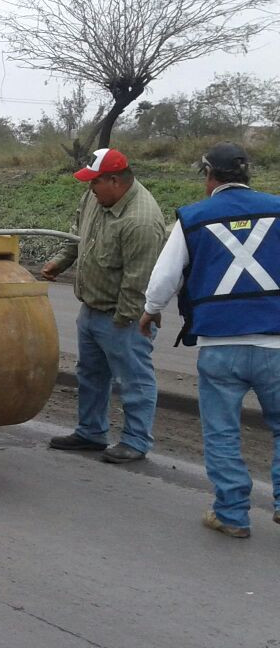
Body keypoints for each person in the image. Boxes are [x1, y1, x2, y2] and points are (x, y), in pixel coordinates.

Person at [139, 142, 280, 539]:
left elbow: (166, 277)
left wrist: (150, 310)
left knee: (222, 432)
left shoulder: (193, 218)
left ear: (209, 176)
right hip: (277, 344)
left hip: (219, 346)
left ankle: (232, 514)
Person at [42, 148, 166, 463]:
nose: (89, 189)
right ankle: (91, 432)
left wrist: (123, 321)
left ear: (114, 180)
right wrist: (60, 261)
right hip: (92, 308)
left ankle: (136, 442)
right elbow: (76, 236)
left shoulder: (141, 220)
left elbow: (138, 282)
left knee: (134, 379)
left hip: (124, 317)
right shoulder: (95, 199)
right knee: (91, 374)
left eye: (94, 183)